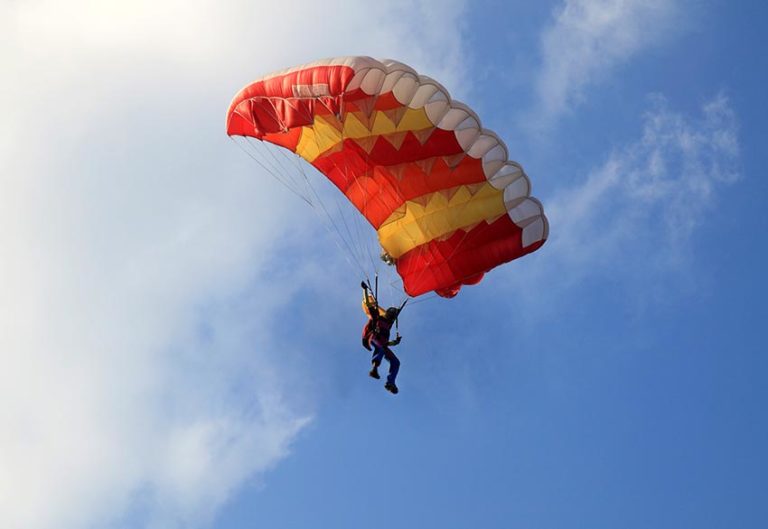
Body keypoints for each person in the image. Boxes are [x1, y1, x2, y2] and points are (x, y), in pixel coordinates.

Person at [361, 281, 402, 394]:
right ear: (388, 314)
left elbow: (387, 343)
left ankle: (390, 382)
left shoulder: (389, 325)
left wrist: (395, 342)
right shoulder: (378, 318)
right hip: (373, 338)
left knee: (396, 362)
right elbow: (369, 305)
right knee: (381, 348)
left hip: (382, 344)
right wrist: (364, 290)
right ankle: (375, 367)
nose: (392, 318)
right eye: (392, 315)